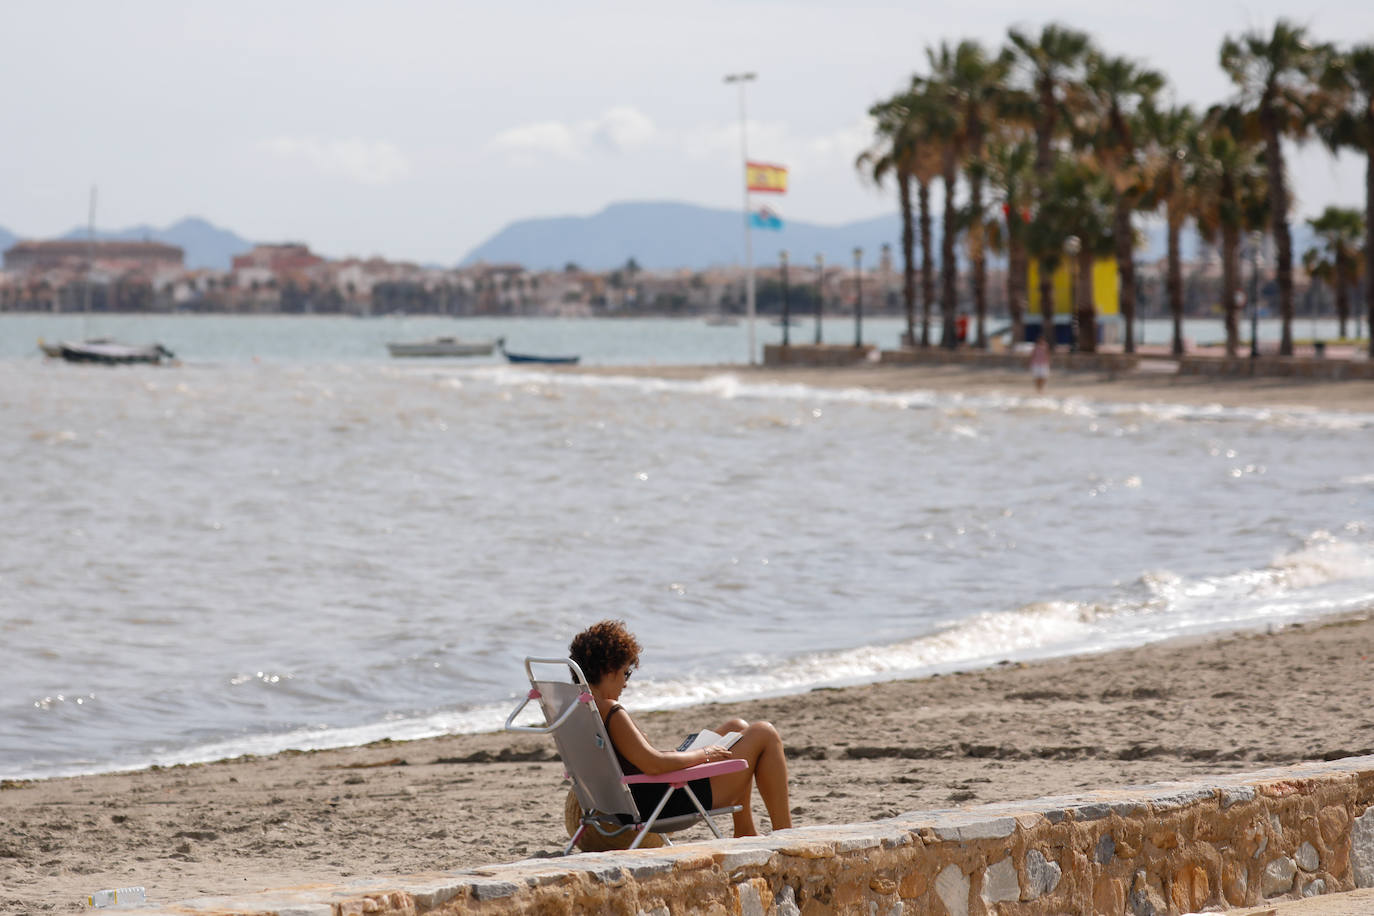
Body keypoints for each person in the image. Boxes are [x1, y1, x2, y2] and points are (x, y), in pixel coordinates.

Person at [569, 619, 793, 837]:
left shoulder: (580, 711)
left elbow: (639, 761)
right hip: (664, 801)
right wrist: (704, 754)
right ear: (609, 670)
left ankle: (745, 830)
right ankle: (786, 834)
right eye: (625, 672)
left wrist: (682, 755)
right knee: (764, 732)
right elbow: (654, 764)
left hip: (626, 801)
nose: (626, 682)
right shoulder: (610, 711)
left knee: (737, 727)